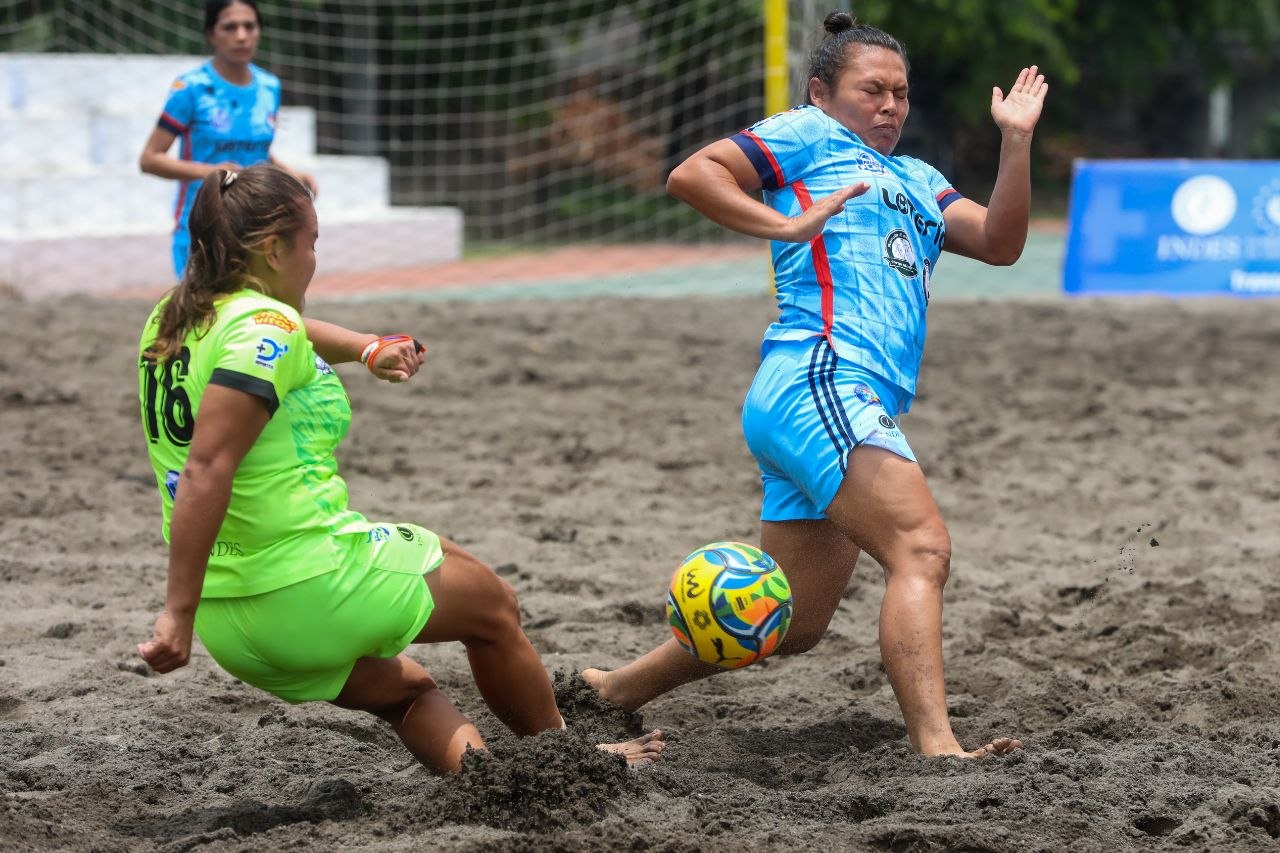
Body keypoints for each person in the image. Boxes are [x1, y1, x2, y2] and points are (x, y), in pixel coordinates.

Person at [584, 12, 1047, 759]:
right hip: (821, 376)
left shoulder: (920, 179)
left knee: (793, 623)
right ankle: (939, 749)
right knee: (922, 549)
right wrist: (782, 224)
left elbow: (1001, 241)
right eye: (873, 90)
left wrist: (1017, 141)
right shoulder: (809, 133)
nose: (891, 105)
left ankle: (615, 688)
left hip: (827, 397)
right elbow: (691, 174)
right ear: (823, 92)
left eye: (901, 92)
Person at [134, 163, 664, 774]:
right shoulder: (263, 328)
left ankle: (496, 783)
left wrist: (365, 347)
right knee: (493, 606)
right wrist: (174, 611)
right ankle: (571, 762)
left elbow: (284, 331)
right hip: (307, 581)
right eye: (311, 244)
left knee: (409, 695)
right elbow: (208, 467)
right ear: (274, 248)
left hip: (233, 625)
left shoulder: (174, 318)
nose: (314, 259)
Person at [139, 0, 317, 282]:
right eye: (230, 27)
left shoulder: (269, 86)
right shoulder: (191, 87)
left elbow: (258, 152)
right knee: (206, 318)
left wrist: (291, 174)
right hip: (202, 225)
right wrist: (212, 173)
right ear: (211, 35)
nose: (242, 35)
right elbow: (149, 159)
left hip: (257, 226)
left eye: (249, 26)